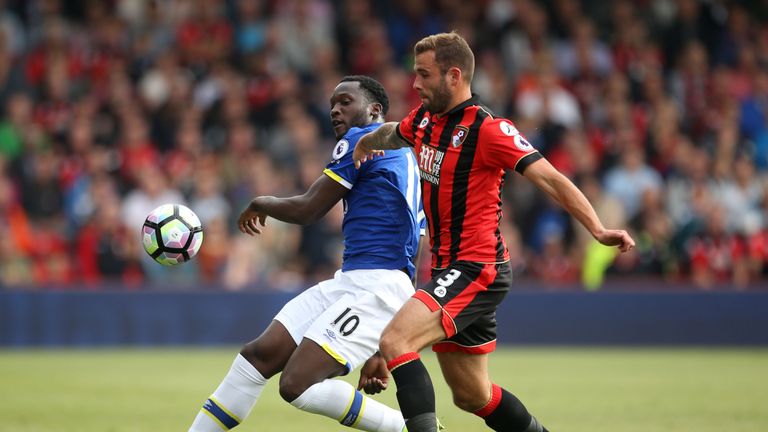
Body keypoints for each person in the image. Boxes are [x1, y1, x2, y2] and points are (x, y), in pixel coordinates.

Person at [353, 32, 635, 432]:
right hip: (448, 269)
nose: (414, 84)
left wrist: (598, 228)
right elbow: (394, 132)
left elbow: (551, 179)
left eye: (423, 75)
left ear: (454, 76)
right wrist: (366, 144)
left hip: (478, 267)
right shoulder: (423, 120)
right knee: (471, 394)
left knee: (396, 341)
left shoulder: (489, 130)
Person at [189, 75, 424, 432]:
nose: (335, 109)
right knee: (259, 355)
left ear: (375, 110)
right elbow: (414, 249)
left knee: (296, 384)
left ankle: (404, 428)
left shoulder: (361, 140)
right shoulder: (406, 161)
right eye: (332, 103)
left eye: (345, 101)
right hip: (357, 282)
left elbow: (308, 209)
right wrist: (383, 344)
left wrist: (261, 202)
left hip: (376, 289)